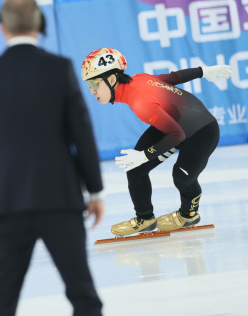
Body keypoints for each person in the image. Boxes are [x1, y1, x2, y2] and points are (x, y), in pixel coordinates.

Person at [0, 0, 109, 316]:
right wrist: (95, 191)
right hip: (59, 197)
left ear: (2, 28)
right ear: (39, 24)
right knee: (80, 284)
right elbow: (82, 133)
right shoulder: (59, 68)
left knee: (2, 293)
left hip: (7, 202)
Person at [80, 48, 233, 236]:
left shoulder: (141, 103)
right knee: (134, 168)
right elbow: (172, 78)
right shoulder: (139, 79)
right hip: (174, 123)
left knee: (182, 176)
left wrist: (144, 155)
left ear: (111, 80)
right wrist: (203, 71)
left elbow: (176, 135)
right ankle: (145, 218)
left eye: (93, 83)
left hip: (202, 131)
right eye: (87, 84)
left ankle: (189, 214)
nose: (91, 90)